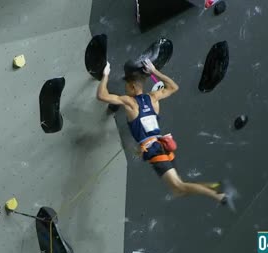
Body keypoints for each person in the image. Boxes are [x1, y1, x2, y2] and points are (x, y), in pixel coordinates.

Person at [96, 59, 228, 205]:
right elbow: (173, 87)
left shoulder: (130, 102)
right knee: (178, 190)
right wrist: (154, 72)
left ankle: (217, 195)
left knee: (179, 187)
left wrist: (105, 75)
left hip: (154, 150)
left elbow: (102, 96)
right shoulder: (153, 98)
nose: (125, 88)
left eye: (126, 85)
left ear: (132, 86)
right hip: (163, 145)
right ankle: (213, 186)